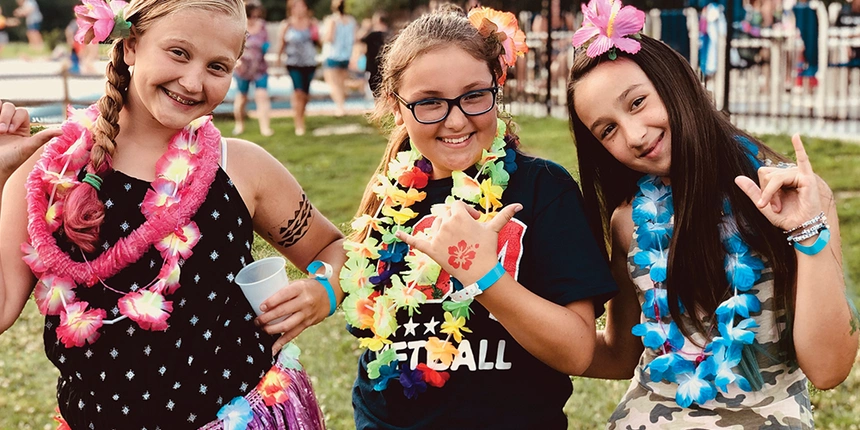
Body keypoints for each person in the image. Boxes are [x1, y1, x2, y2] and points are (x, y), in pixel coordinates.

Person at [0, 0, 347, 428]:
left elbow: (333, 247)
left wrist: (325, 291)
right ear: (129, 46)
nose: (193, 80)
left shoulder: (240, 166)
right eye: (178, 53)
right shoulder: (50, 173)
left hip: (238, 414)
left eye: (218, 67)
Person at [566, 0, 860, 427]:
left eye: (636, 103)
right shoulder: (629, 223)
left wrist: (808, 233)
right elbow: (619, 356)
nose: (634, 135)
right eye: (607, 130)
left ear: (676, 82)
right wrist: (511, 308)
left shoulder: (790, 198)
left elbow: (829, 370)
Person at [341, 5, 617, 428]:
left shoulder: (543, 190)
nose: (455, 118)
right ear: (397, 108)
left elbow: (578, 351)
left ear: (496, 86)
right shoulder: (386, 195)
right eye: (429, 102)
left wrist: (484, 276)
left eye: (473, 95)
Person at [276, 0, 319, 136]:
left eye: (302, 6)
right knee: (298, 92)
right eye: (296, 6)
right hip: (293, 63)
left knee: (305, 95)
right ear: (291, 9)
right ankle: (299, 123)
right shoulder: (287, 25)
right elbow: (281, 44)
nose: (300, 9)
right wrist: (278, 59)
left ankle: (301, 114)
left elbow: (319, 43)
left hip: (309, 63)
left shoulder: (312, 23)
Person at [232, 1, 273, 137]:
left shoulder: (262, 26)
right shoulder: (239, 26)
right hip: (242, 69)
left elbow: (266, 43)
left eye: (257, 15)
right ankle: (240, 124)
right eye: (252, 15)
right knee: (242, 98)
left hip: (259, 68)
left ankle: (265, 128)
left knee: (262, 96)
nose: (255, 18)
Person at [321, 0, 356, 117]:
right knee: (342, 83)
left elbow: (329, 37)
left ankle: (340, 108)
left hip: (333, 55)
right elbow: (354, 39)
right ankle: (342, 106)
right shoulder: (351, 21)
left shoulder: (332, 20)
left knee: (333, 84)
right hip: (345, 56)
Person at [359, 11, 389, 98]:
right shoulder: (389, 34)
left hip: (373, 63)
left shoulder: (372, 34)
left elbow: (359, 39)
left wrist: (365, 28)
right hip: (385, 63)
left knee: (374, 84)